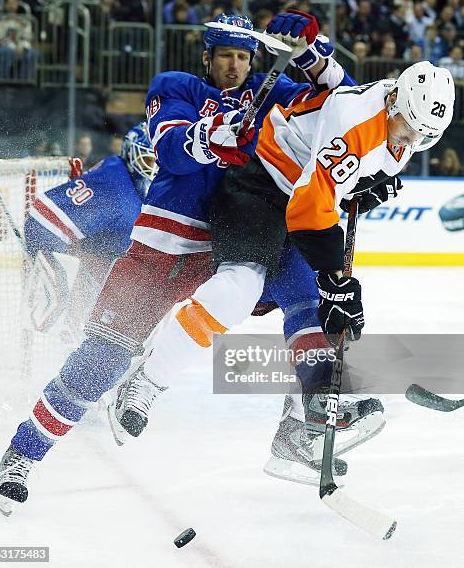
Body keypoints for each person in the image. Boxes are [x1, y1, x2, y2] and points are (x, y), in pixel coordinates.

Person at [0, 10, 359, 514]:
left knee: (310, 295)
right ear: (207, 57)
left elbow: (344, 108)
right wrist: (216, 135)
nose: (234, 65)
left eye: (243, 56)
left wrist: (315, 56)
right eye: (225, 55)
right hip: (161, 248)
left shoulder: (270, 95)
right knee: (99, 362)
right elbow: (171, 149)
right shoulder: (176, 86)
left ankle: (301, 426)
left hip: (231, 247)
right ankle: (23, 454)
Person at [107, 61, 455, 476]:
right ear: (395, 99)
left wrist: (358, 196)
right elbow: (311, 207)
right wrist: (335, 278)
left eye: (423, 136)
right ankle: (145, 381)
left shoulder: (403, 127)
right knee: (236, 290)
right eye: (407, 128)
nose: (412, 139)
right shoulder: (356, 120)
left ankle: (297, 431)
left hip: (300, 195)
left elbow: (332, 194)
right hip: (261, 182)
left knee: (312, 308)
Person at [22, 123, 156, 342]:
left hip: (97, 260)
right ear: (132, 153)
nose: (154, 168)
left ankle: (73, 336)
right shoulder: (117, 186)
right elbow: (43, 220)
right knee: (58, 306)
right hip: (70, 254)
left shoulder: (127, 180)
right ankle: (49, 344)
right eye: (148, 160)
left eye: (157, 161)